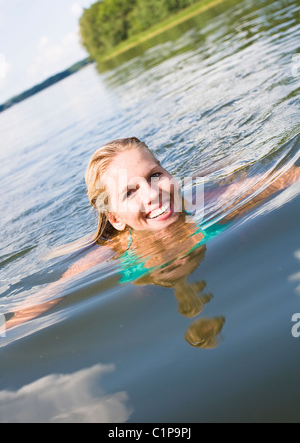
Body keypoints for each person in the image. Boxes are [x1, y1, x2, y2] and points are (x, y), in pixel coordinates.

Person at [5, 137, 300, 336]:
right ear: (116, 219)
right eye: (130, 192)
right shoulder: (114, 250)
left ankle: (217, 165)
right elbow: (50, 295)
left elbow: (287, 178)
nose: (153, 193)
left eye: (155, 175)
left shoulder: (208, 202)